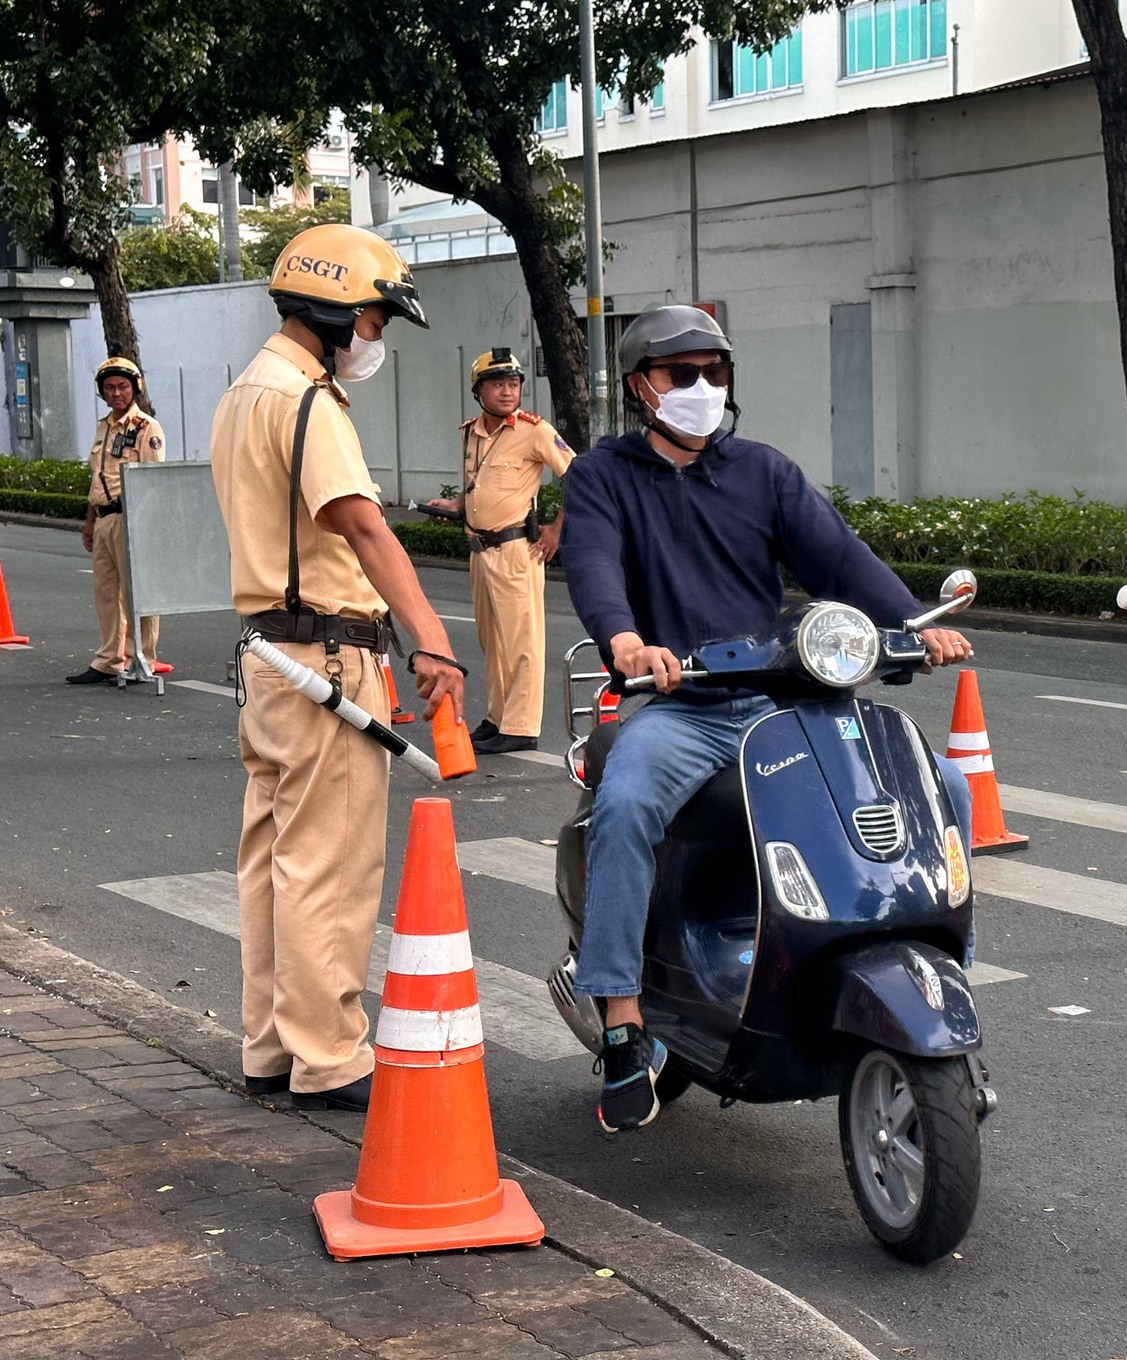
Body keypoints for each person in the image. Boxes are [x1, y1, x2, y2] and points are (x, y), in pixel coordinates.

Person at [561, 305, 977, 1133]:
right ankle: (620, 1022)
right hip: (685, 705)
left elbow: (840, 558)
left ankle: (941, 968)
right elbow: (595, 564)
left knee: (945, 785)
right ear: (641, 385)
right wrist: (628, 640)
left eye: (716, 373)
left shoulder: (762, 471)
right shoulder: (603, 477)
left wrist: (913, 626)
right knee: (630, 800)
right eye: (684, 374)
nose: (703, 388)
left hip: (783, 700)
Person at [210, 224, 466, 1112]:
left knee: (273, 860)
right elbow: (363, 524)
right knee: (331, 865)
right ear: (332, 310)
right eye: (374, 319)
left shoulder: (246, 390)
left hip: (268, 658)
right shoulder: (309, 401)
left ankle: (271, 1046)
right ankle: (331, 1057)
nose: (376, 339)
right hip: (324, 658)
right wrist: (430, 635)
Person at [429, 348, 572, 754]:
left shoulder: (535, 431)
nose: (508, 391)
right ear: (479, 390)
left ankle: (522, 727)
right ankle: (498, 718)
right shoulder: (470, 432)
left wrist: (556, 531)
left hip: (515, 550)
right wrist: (457, 505)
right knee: (493, 642)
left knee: (521, 642)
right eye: (497, 384)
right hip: (479, 549)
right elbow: (479, 485)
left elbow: (579, 478)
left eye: (514, 384)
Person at [68, 358, 167, 685]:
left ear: (135, 388)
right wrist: (89, 522)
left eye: (123, 386)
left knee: (139, 592)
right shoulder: (104, 426)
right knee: (106, 593)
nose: (116, 393)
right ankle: (109, 660)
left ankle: (143, 658)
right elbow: (98, 478)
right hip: (104, 519)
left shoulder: (145, 428)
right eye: (109, 388)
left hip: (131, 517)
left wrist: (146, 527)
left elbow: (153, 481)